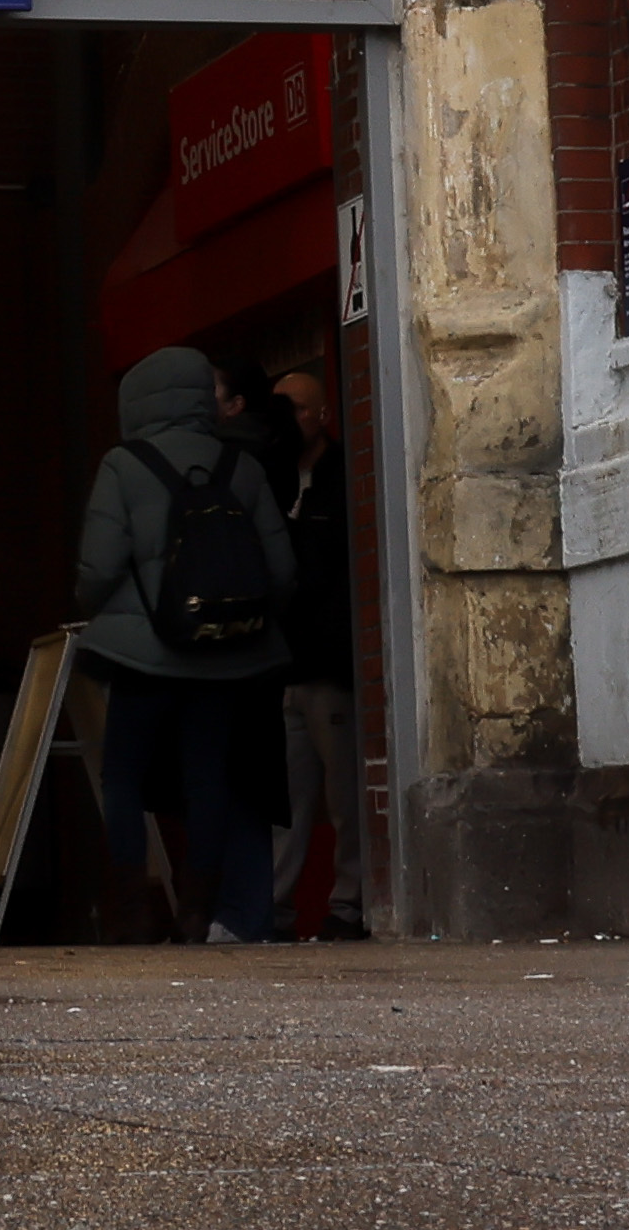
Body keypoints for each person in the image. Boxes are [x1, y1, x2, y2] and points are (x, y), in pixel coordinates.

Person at [68, 342, 291, 943]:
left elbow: (97, 569)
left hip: (142, 656)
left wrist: (112, 614)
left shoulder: (123, 465)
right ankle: (197, 910)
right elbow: (282, 570)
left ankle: (132, 910)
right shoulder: (239, 468)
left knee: (123, 777)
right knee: (207, 778)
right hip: (222, 656)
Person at [258, 358, 368, 939]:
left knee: (344, 798)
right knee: (288, 804)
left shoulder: (344, 477)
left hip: (328, 665)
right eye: (280, 407)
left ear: (324, 414)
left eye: (298, 407)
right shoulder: (267, 478)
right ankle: (272, 908)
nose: (289, 419)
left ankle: (348, 905)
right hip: (284, 667)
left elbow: (335, 570)